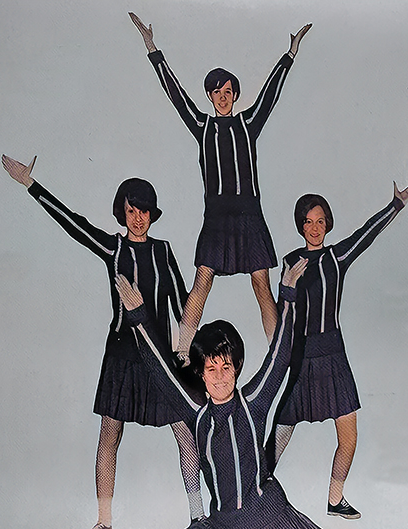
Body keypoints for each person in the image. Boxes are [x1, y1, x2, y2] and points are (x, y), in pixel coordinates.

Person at [41, 265, 408, 529]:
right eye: (211, 368)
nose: (220, 376)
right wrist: (139, 317)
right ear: (201, 372)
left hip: (273, 527)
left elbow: (281, 353)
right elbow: (159, 370)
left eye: (226, 367)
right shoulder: (194, 412)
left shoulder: (254, 401)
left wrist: (287, 293)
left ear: (236, 367)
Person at [2, 154, 204, 529]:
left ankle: (198, 517)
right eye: (132, 210)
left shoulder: (163, 251)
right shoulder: (113, 249)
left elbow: (183, 305)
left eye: (144, 210)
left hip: (162, 356)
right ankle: (104, 519)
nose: (138, 218)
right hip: (122, 358)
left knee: (185, 433)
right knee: (109, 435)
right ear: (122, 212)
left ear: (152, 214)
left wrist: (187, 352)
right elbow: (73, 224)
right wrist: (31, 184)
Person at [129, 12, 312, 359]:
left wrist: (290, 53)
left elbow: (272, 93)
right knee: (202, 282)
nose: (222, 96)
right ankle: (182, 354)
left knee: (261, 283)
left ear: (235, 94)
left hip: (249, 214)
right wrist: (153, 48)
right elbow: (176, 95)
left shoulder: (248, 123)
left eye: (228, 91)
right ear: (210, 97)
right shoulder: (202, 127)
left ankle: (278, 356)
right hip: (216, 217)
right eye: (216, 92)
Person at [266, 181, 408, 520]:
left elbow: (366, 234)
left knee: (349, 433)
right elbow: (282, 318)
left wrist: (395, 205)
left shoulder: (336, 257)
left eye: (320, 221)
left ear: (327, 223)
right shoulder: (291, 262)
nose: (315, 227)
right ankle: (258, 485)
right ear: (300, 225)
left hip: (334, 355)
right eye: (308, 221)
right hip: (302, 357)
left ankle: (336, 499)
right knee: (282, 428)